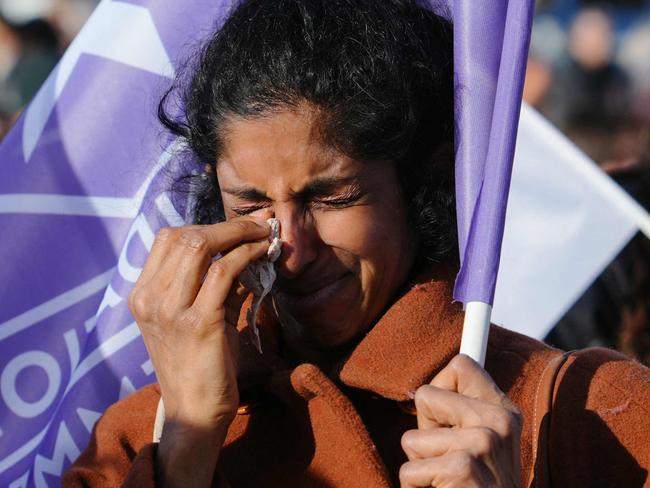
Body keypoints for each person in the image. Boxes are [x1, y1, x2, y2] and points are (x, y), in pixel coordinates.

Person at [63, 1, 650, 486]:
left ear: (422, 185)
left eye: (332, 198)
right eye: (250, 205)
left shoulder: (593, 414)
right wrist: (187, 449)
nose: (288, 246)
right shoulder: (142, 439)